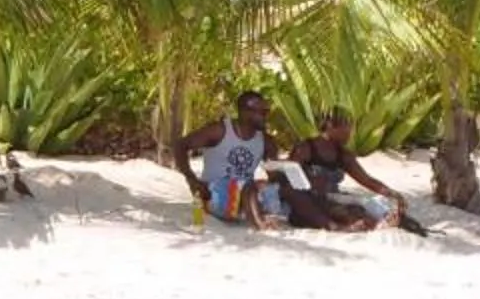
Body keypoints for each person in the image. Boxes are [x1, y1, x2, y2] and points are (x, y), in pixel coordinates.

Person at [288, 106, 427, 236]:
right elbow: (288, 174)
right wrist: (311, 182)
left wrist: (392, 194)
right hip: (309, 199)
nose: (350, 134)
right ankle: (375, 226)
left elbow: (366, 180)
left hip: (333, 197)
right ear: (330, 126)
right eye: (346, 128)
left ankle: (385, 224)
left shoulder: (343, 154)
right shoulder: (305, 148)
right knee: (343, 214)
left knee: (359, 210)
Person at [178, 91, 286, 227]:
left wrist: (286, 172)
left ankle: (260, 214)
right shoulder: (219, 131)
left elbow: (273, 175)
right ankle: (260, 224)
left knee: (273, 189)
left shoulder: (267, 141)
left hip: (246, 196)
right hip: (213, 194)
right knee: (249, 185)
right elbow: (181, 145)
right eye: (263, 112)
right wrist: (191, 179)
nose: (266, 116)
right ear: (246, 113)